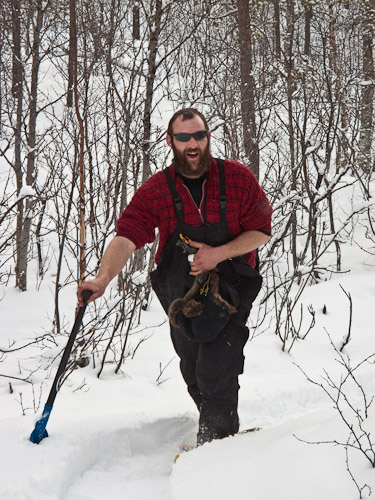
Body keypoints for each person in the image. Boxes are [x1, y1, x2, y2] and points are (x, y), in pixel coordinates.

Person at [78, 108, 272, 446]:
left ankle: (215, 443)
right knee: (193, 366)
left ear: (208, 138)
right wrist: (102, 279)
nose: (193, 143)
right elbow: (127, 236)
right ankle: (220, 428)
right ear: (170, 141)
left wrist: (218, 254)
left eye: (199, 135)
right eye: (184, 137)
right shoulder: (158, 189)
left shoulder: (238, 179)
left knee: (217, 365)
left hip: (233, 285)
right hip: (182, 291)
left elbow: (261, 231)